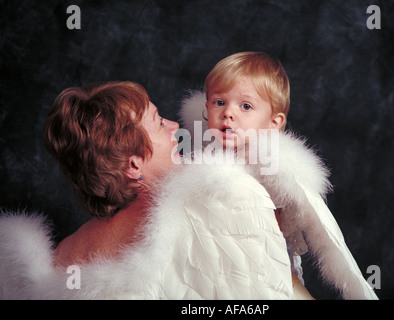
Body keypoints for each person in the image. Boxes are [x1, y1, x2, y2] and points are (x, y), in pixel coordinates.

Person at [0, 81, 298, 299]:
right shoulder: (205, 215)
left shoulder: (63, 253)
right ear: (133, 165)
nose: (173, 126)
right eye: (158, 122)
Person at [179, 52, 378, 299]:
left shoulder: (272, 167)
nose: (229, 113)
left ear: (273, 122)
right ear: (206, 109)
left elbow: (320, 232)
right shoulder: (199, 161)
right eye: (219, 102)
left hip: (267, 271)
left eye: (246, 106)